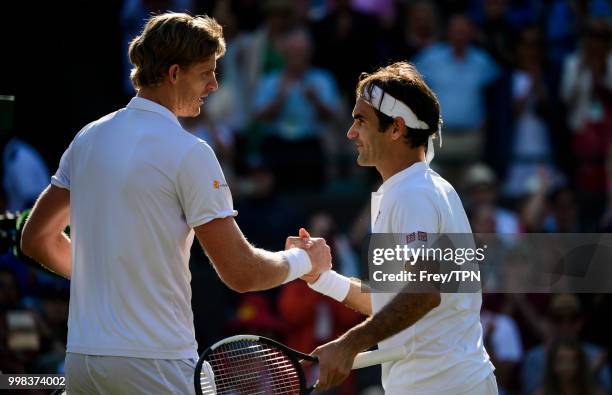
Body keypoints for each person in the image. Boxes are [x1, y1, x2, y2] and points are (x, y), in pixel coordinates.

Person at [20, 12, 331, 394]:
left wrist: (106, 279)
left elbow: (36, 239)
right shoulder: (191, 152)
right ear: (173, 74)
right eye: (205, 73)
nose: (214, 85)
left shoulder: (87, 139)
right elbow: (241, 272)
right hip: (156, 365)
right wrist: (304, 261)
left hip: (84, 363)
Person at [292, 62, 496, 394]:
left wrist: (349, 343)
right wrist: (322, 278)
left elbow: (423, 293)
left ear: (397, 129)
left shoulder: (411, 194)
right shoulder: (413, 189)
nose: (350, 132)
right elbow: (392, 302)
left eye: (361, 120)